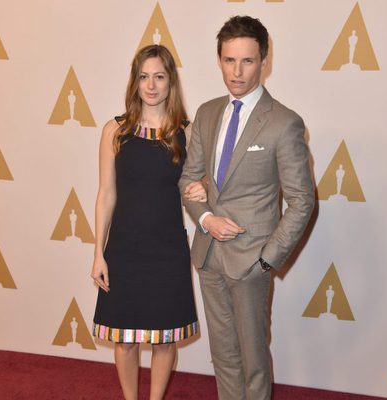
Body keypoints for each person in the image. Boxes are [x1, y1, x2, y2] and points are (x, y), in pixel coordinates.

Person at [179, 16, 315, 400]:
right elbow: (189, 179)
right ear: (219, 60)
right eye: (228, 60)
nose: (236, 72)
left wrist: (267, 259)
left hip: (252, 262)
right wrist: (205, 218)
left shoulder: (284, 123)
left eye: (247, 61)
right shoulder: (206, 113)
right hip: (208, 256)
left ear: (264, 61)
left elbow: (302, 201)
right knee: (223, 356)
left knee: (254, 359)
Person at [91, 44, 206, 400]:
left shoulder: (185, 133)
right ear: (134, 81)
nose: (151, 85)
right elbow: (106, 194)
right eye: (144, 77)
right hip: (124, 249)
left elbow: (196, 185)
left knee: (164, 337)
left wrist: (201, 190)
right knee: (123, 341)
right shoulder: (115, 130)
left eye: (159, 76)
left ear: (171, 81)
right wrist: (98, 253)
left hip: (168, 250)